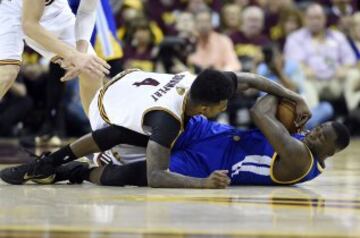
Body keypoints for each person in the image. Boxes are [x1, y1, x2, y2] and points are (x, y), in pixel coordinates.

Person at [0, 68, 311, 188]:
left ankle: (52, 165)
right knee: (132, 170)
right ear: (205, 108)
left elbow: (252, 80)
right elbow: (156, 176)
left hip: (129, 85)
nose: (226, 108)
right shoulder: (167, 120)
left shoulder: (205, 84)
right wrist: (202, 185)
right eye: (223, 106)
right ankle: (65, 169)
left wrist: (292, 95)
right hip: (105, 110)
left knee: (140, 141)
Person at [7, 95, 350, 188]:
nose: (313, 132)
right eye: (318, 129)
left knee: (132, 177)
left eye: (321, 138)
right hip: (211, 134)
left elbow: (262, 112)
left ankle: (75, 172)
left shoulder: (298, 158)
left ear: (330, 153)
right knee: (128, 129)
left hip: (214, 164)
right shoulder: (302, 141)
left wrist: (285, 94)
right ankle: (50, 162)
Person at [0, 0, 110, 115]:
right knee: (6, 72)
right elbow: (29, 25)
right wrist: (73, 55)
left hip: (53, 9)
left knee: (92, 70)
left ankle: (99, 128)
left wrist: (81, 54)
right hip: (10, 8)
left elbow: (86, 11)